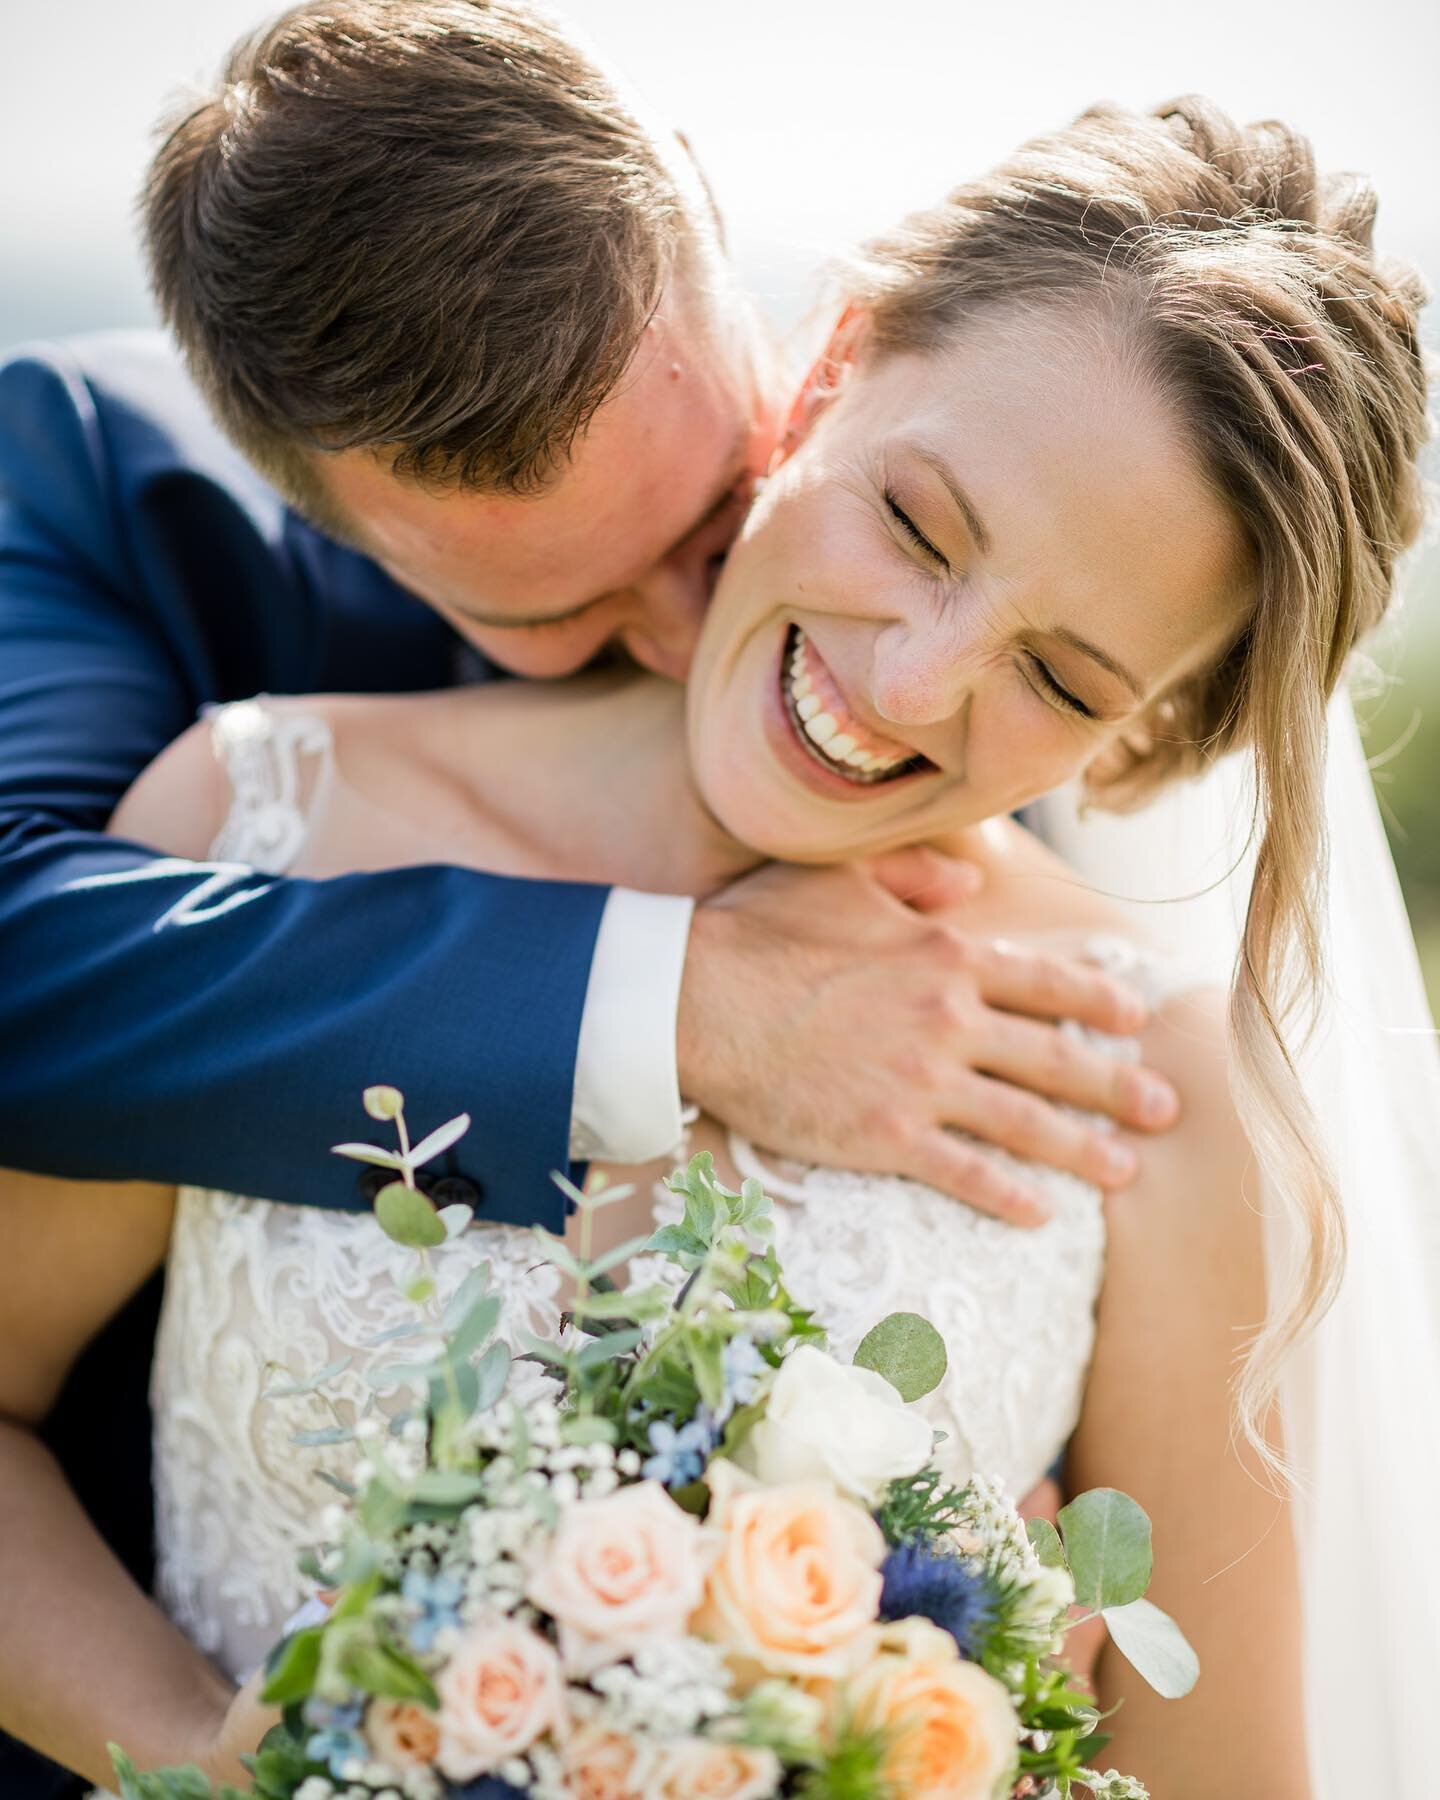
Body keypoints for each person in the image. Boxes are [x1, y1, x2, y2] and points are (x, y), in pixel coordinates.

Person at [2, 96, 1432, 1798]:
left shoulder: (1148, 1091)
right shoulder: (261, 819)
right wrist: (190, 1754)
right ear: (829, 365)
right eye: (916, 525)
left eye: (1062, 679)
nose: (911, 689)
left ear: (1144, 731)